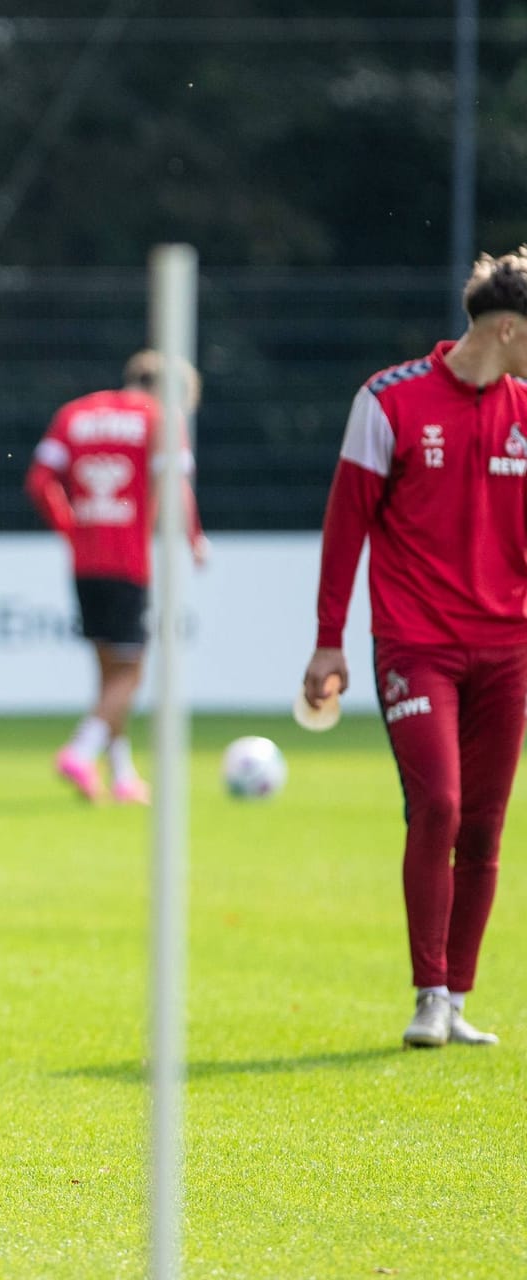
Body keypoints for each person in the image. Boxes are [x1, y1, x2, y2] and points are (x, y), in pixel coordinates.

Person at [303, 249, 527, 1050]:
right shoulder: (388, 400)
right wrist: (328, 642)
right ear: (506, 329)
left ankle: (458, 999)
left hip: (507, 650)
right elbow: (345, 528)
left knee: (488, 825)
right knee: (438, 806)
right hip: (415, 645)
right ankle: (428, 993)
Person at [25, 351, 207, 804]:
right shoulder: (158, 418)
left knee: (108, 673)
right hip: (128, 562)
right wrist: (193, 537)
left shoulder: (75, 413)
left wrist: (70, 526)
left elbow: (38, 480)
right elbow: (175, 484)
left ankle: (122, 775)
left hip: (84, 562)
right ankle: (80, 752)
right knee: (132, 672)